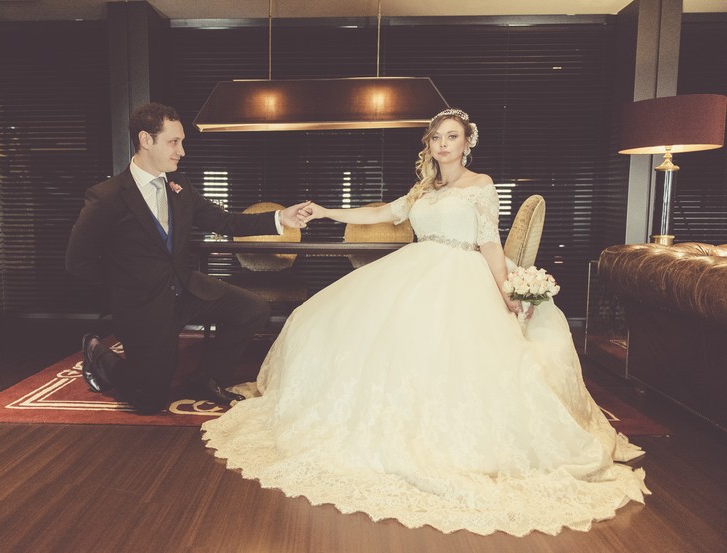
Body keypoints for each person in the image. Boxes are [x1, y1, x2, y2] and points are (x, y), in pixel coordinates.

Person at [201, 108, 649, 536]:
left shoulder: (481, 185)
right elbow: (382, 213)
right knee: (332, 326)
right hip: (415, 268)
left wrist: (506, 290)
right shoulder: (423, 189)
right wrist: (326, 211)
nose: (442, 144)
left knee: (452, 357)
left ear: (467, 143)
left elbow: (490, 243)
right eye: (436, 137)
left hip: (462, 276)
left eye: (452, 136)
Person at [66, 102, 309, 414]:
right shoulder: (106, 196)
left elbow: (226, 222)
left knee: (253, 308)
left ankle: (207, 378)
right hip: (143, 306)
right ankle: (98, 354)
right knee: (149, 400)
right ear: (145, 140)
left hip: (186, 289)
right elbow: (78, 261)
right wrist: (126, 287)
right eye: (174, 142)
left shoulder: (180, 186)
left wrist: (280, 218)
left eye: (181, 142)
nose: (181, 151)